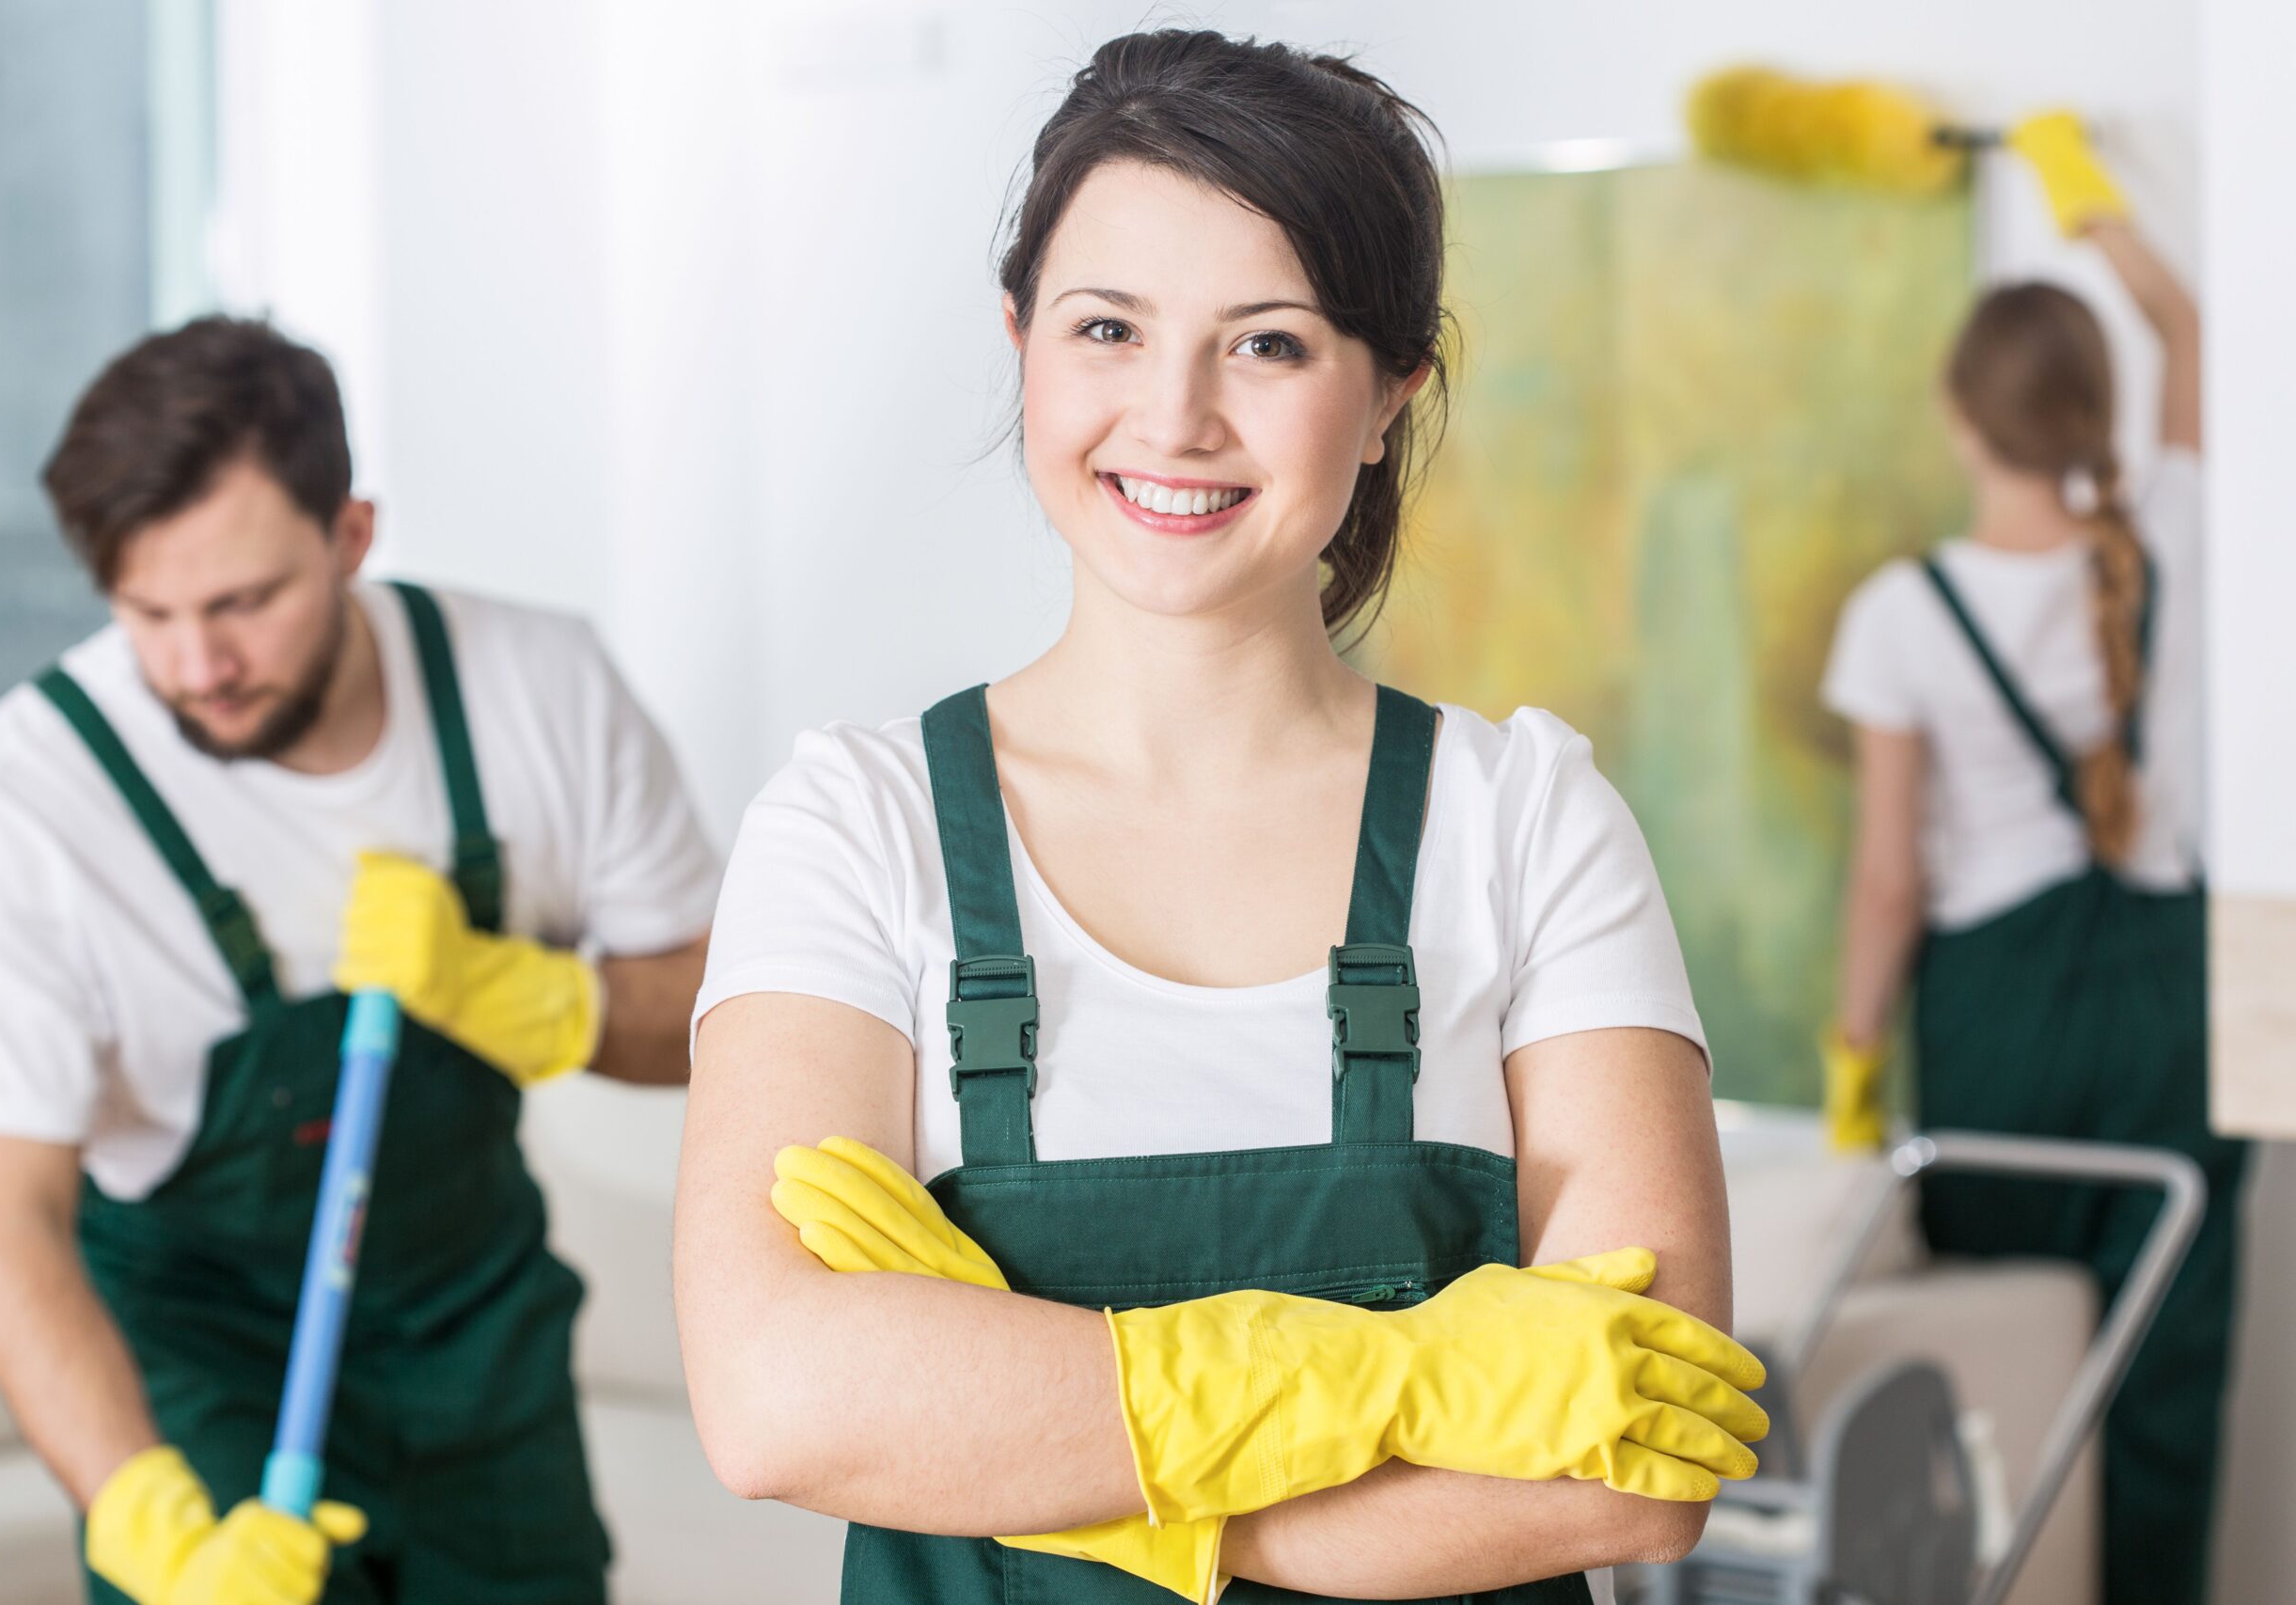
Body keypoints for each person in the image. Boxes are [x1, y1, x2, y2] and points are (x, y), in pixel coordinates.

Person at [676, 31, 1768, 1605]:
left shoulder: (1526, 824)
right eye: (1107, 327)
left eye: (1268, 345)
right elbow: (779, 1403)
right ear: (1023, 344)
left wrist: (1020, 1461)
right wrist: (1393, 1386)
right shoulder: (860, 829)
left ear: (1391, 390)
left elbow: (1641, 1473)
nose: (1174, 417)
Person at [0, 316, 721, 1605]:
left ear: (351, 538)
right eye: (146, 612)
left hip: (478, 1345)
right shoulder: (25, 808)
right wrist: (153, 1530)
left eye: (243, 603)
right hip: (196, 1374)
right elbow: (0, 1239)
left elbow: (722, 1017)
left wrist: (528, 995)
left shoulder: (538, 688)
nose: (196, 666)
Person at [1821, 115, 2243, 1605]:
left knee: (2004, 1354)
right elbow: (2186, 321)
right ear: (2093, 414)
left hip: (1999, 1009)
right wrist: (2079, 186)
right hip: (2189, 991)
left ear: (1960, 416)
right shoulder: (2175, 531)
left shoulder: (1903, 613)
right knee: (2167, 1366)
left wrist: (1853, 1059)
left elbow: (1886, 881)